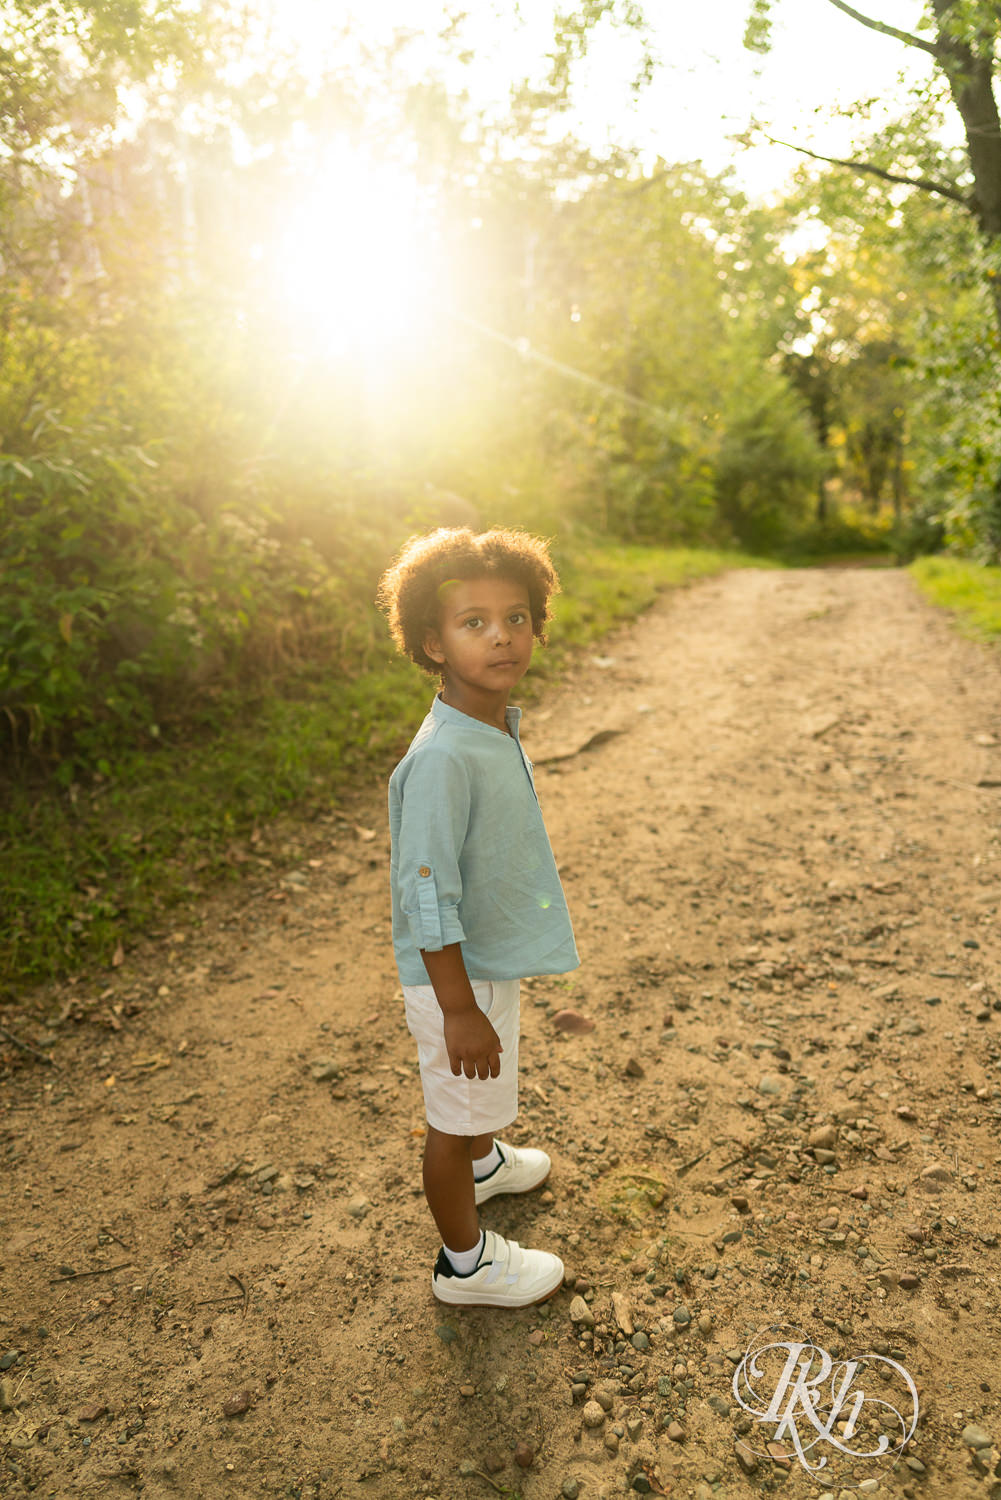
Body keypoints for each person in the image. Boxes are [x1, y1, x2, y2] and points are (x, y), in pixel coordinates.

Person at [377, 527, 579, 1308]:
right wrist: (456, 1008)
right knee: (450, 1118)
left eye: (517, 617)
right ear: (432, 642)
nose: (501, 635)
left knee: (480, 1099)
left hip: (483, 961)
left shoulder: (487, 722)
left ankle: (486, 1164)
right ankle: (464, 1265)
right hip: (452, 974)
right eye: (473, 623)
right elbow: (426, 897)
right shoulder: (441, 759)